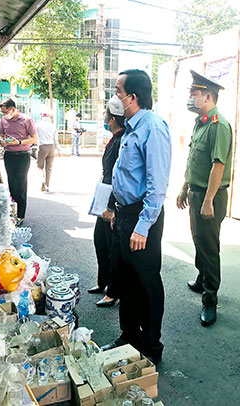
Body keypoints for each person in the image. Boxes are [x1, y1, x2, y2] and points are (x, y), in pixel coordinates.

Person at [100, 69, 172, 366]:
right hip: (124, 215)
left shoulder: (153, 128)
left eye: (118, 91)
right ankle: (128, 336)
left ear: (133, 97)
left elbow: (157, 185)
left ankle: (152, 345)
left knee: (146, 283)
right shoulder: (131, 128)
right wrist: (116, 211)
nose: (115, 96)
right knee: (126, 281)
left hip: (144, 219)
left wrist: (142, 227)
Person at [176, 70, 232, 327]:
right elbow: (194, 161)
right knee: (198, 238)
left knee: (209, 248)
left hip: (211, 195)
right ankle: (202, 278)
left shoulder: (218, 125)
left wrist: (208, 199)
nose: (190, 97)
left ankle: (210, 300)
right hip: (197, 192)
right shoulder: (200, 123)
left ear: (208, 97)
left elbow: (217, 166)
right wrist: (184, 187)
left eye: (193, 94)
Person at [88, 95, 127, 307]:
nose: (105, 117)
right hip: (104, 196)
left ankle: (113, 291)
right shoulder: (115, 138)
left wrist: (111, 207)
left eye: (106, 114)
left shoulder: (122, 140)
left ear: (112, 119)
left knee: (112, 248)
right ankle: (102, 282)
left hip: (113, 200)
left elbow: (117, 177)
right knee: (100, 242)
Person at [0, 99, 38, 225]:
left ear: (13, 109)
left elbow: (34, 139)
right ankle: (12, 213)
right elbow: (1, 134)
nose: (5, 115)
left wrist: (19, 142)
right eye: (2, 112)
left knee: (20, 184)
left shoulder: (26, 120)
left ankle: (20, 215)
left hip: (22, 155)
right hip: (8, 154)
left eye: (6, 112)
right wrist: (1, 140)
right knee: (11, 183)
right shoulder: (4, 120)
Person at [35, 110, 60, 193]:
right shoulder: (53, 126)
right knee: (49, 168)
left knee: (40, 167)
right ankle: (47, 185)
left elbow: (34, 136)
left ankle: (42, 180)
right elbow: (56, 139)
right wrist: (59, 150)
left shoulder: (37, 125)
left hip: (42, 147)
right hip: (51, 147)